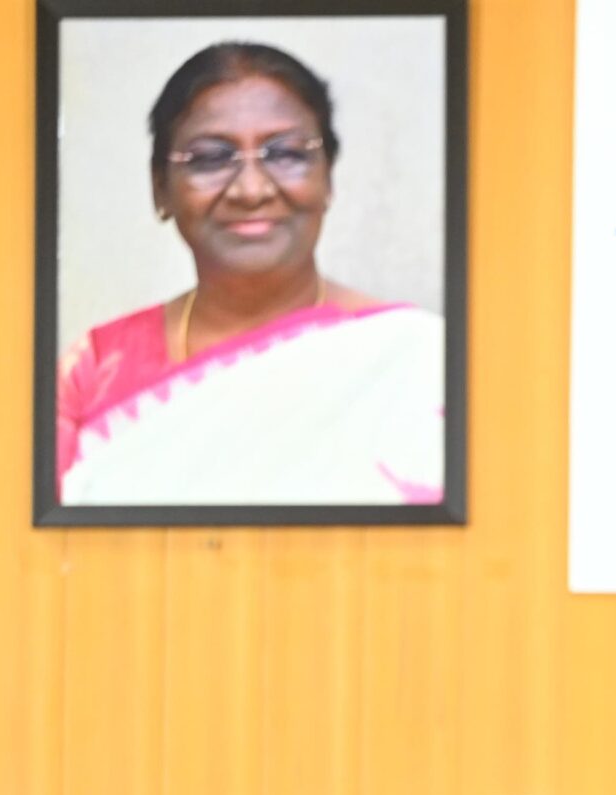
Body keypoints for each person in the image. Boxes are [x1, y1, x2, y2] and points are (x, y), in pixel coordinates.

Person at [55, 41, 444, 506]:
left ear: (328, 178)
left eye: (286, 154)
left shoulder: (418, 361)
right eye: (210, 158)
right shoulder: (94, 371)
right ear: (160, 188)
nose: (251, 189)